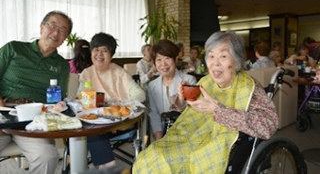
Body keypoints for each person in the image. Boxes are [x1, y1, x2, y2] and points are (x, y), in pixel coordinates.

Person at [133, 31, 278, 173]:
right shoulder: (205, 82)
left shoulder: (249, 88)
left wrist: (217, 109)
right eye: (211, 56)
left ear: (236, 60)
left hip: (217, 146)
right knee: (152, 155)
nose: (215, 63)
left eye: (223, 56)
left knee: (180, 163)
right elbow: (192, 112)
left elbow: (269, 125)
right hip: (192, 136)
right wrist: (182, 102)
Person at [0, 10, 72, 174]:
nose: (56, 33)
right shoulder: (14, 48)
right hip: (4, 106)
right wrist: (3, 114)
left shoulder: (61, 65)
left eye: (62, 30)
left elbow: (58, 100)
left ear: (65, 38)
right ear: (41, 28)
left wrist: (56, 109)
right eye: (52, 26)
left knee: (47, 156)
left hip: (34, 117)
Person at [77, 32, 146, 170]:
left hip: (120, 121)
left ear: (111, 55)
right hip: (96, 121)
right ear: (91, 52)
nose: (99, 54)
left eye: (105, 50)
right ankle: (105, 168)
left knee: (92, 130)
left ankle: (107, 168)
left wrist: (120, 108)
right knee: (89, 127)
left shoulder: (120, 73)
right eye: (96, 50)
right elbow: (80, 97)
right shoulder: (86, 73)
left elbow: (140, 94)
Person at [148, 40, 196, 140]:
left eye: (167, 58)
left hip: (185, 133)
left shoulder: (189, 80)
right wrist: (159, 140)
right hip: (162, 133)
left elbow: (192, 112)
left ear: (175, 59)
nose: (163, 64)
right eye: (159, 60)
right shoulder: (152, 86)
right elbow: (154, 115)